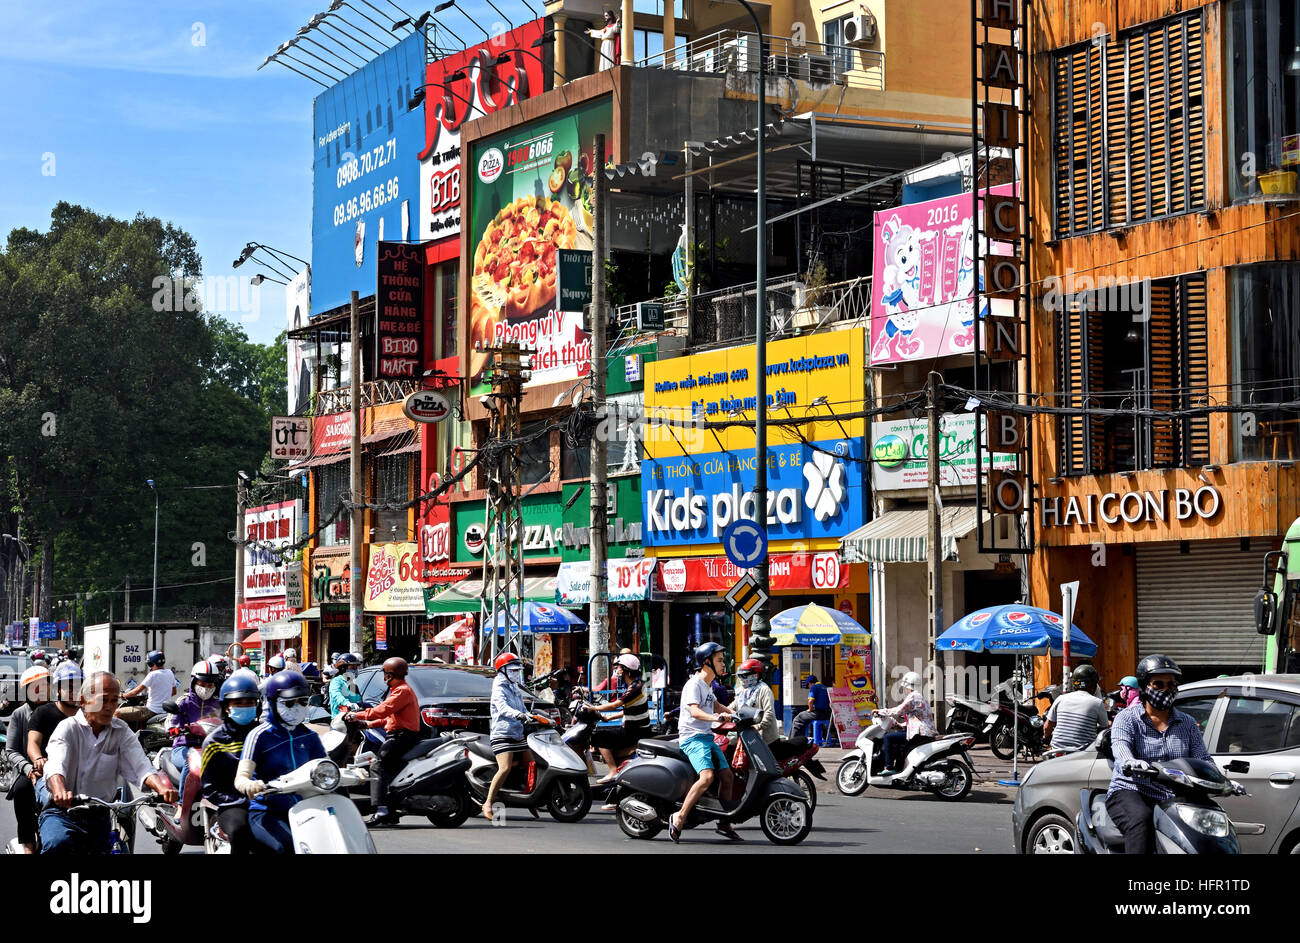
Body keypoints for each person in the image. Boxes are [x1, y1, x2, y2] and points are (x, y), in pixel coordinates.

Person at [39, 672, 178, 854]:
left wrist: (161, 788)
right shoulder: (68, 728)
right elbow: (56, 764)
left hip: (100, 815)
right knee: (58, 844)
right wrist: (60, 791)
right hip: (62, 813)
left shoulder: (121, 731)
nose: (110, 707)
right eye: (103, 700)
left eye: (114, 701)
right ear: (84, 701)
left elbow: (141, 765)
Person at [1105, 653, 1215, 854]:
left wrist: (1219, 776)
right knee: (1141, 820)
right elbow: (1121, 748)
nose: (1167, 690)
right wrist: (1131, 762)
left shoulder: (1188, 723)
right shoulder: (1127, 719)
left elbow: (1202, 757)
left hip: (1173, 793)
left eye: (1172, 684)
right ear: (1144, 687)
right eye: (1159, 684)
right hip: (1132, 789)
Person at [234, 670, 326, 854]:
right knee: (286, 846)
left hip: (307, 808)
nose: (297, 707)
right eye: (289, 703)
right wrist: (250, 785)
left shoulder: (310, 736)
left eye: (303, 702)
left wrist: (352, 774)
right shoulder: (259, 735)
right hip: (267, 811)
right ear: (272, 703)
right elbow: (241, 777)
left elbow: (324, 767)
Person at [670, 641, 741, 843]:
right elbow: (694, 711)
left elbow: (717, 705)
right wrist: (715, 719)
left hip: (707, 738)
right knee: (707, 777)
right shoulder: (694, 684)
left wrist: (734, 713)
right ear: (706, 662)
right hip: (692, 738)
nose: (723, 664)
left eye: (723, 660)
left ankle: (724, 822)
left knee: (728, 776)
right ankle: (680, 816)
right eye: (719, 660)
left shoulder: (707, 686)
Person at [341, 656, 420, 827]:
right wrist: (366, 724)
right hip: (399, 734)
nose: (384, 677)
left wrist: (357, 715)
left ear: (389, 675)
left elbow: (382, 711)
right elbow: (389, 719)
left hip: (401, 736)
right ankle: (391, 809)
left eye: (385, 674)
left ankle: (382, 810)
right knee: (388, 770)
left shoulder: (402, 691)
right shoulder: (400, 690)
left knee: (378, 765)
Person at [200, 670, 270, 854]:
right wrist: (242, 799)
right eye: (238, 703)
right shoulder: (215, 741)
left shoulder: (265, 734)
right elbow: (209, 789)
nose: (245, 706)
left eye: (249, 703)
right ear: (226, 707)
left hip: (269, 801)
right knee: (241, 832)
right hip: (233, 805)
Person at [484, 652, 543, 821]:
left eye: (518, 670)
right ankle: (488, 803)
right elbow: (503, 709)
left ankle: (530, 800)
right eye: (512, 670)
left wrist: (533, 716)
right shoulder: (499, 688)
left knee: (532, 764)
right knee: (505, 768)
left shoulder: (514, 687)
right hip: (502, 734)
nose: (516, 673)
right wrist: (520, 715)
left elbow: (522, 709)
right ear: (502, 671)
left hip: (518, 733)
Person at [584, 653, 651, 787]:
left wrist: (593, 708)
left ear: (627, 669)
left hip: (635, 731)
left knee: (599, 736)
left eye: (619, 667)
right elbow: (629, 710)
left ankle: (613, 771)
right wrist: (608, 717)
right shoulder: (636, 685)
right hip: (635, 728)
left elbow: (615, 705)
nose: (617, 670)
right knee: (605, 731)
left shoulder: (634, 687)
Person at [4, 666, 50, 853]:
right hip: (29, 770)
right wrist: (29, 768)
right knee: (23, 790)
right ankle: (28, 844)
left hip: (60, 768)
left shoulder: (59, 711)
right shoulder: (19, 714)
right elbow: (11, 750)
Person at [27, 662, 84, 796]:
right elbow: (33, 743)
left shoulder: (88, 714)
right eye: (68, 688)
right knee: (24, 790)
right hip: (48, 772)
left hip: (81, 772)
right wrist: (38, 759)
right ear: (57, 690)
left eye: (77, 687)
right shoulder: (42, 713)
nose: (72, 692)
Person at [170, 660, 224, 794]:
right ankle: (182, 807)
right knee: (192, 763)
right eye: (202, 684)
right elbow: (171, 720)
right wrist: (174, 728)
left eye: (210, 684)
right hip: (184, 747)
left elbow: (226, 723)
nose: (206, 688)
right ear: (194, 681)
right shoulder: (183, 701)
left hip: (211, 748)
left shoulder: (219, 705)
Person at [873, 671, 937, 774]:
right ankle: (899, 769)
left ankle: (889, 767)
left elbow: (898, 710)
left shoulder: (912, 696)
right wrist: (899, 725)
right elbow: (915, 718)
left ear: (907, 685)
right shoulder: (919, 696)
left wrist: (880, 711)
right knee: (898, 743)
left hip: (921, 733)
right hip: (924, 732)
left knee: (888, 737)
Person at [1044, 664, 1110, 751]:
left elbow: (1047, 726)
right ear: (1093, 685)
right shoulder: (1097, 703)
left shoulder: (1061, 698)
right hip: (1082, 752)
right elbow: (1104, 728)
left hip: (1056, 750)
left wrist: (1047, 738)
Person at [117, 650, 177, 727]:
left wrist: (122, 695)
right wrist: (157, 696)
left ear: (151, 663)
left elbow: (135, 692)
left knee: (116, 713)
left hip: (151, 711)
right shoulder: (170, 672)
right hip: (165, 711)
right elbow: (174, 692)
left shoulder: (152, 675)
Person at [729, 658, 779, 745]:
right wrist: (720, 715)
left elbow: (769, 713)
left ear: (756, 675)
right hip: (746, 736)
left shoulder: (764, 689)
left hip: (765, 740)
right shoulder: (741, 691)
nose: (741, 679)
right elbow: (732, 707)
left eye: (744, 676)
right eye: (740, 676)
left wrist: (756, 727)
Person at [790, 673, 831, 739]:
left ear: (810, 683)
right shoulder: (824, 687)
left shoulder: (814, 687)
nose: (809, 687)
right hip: (827, 714)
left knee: (798, 718)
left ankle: (793, 740)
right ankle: (802, 738)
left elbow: (810, 701)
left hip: (818, 713)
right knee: (803, 718)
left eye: (808, 685)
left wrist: (810, 709)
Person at [328, 652, 362, 716]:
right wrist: (347, 703)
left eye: (356, 668)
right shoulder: (336, 681)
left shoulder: (352, 683)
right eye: (352, 668)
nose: (355, 670)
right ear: (343, 668)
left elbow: (357, 699)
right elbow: (336, 695)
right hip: (339, 719)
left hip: (353, 717)